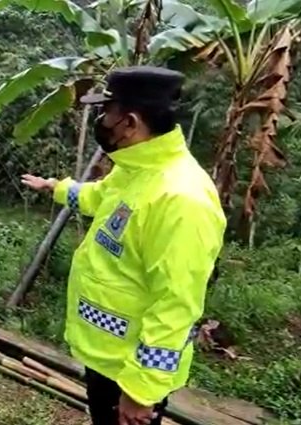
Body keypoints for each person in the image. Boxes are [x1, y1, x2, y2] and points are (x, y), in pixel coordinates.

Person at [21, 66, 226, 425]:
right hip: (106, 356)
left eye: (106, 112)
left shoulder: (181, 199)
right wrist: (54, 187)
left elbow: (176, 306)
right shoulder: (135, 169)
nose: (102, 119)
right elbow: (100, 197)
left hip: (130, 369)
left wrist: (142, 390)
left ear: (129, 122)